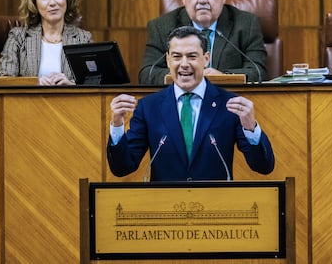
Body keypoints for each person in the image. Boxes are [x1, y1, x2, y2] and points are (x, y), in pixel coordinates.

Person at [107, 26, 274, 181]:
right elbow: (122, 168)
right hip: (164, 206)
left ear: (206, 59)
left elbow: (263, 166)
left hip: (216, 206)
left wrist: (250, 128)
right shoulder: (148, 107)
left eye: (192, 56)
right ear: (168, 60)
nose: (184, 64)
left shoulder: (229, 105)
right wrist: (117, 125)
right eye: (177, 56)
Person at [138, 0, 267, 85]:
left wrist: (222, 77)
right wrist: (188, 76)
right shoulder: (162, 27)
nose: (202, 0)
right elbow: (147, 74)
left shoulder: (246, 24)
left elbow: (258, 72)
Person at [0, 0, 92, 85]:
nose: (52, 3)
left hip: (69, 102)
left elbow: (94, 82)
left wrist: (71, 85)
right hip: (27, 103)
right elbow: (3, 79)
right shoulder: (18, 37)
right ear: (34, 3)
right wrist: (35, 83)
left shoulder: (83, 39)